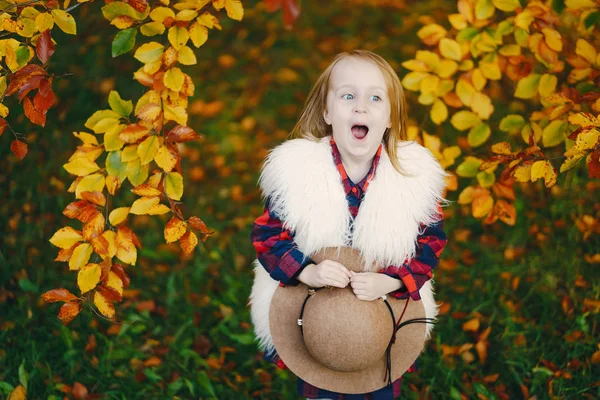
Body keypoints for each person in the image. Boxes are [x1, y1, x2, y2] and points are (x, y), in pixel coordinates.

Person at [249, 49, 449, 400]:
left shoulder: (413, 182)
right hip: (316, 322)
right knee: (320, 388)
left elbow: (429, 246)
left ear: (389, 117)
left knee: (381, 386)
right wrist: (306, 272)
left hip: (380, 322)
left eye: (375, 97)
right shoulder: (296, 177)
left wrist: (390, 280)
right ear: (327, 112)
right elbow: (268, 236)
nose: (361, 107)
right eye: (347, 96)